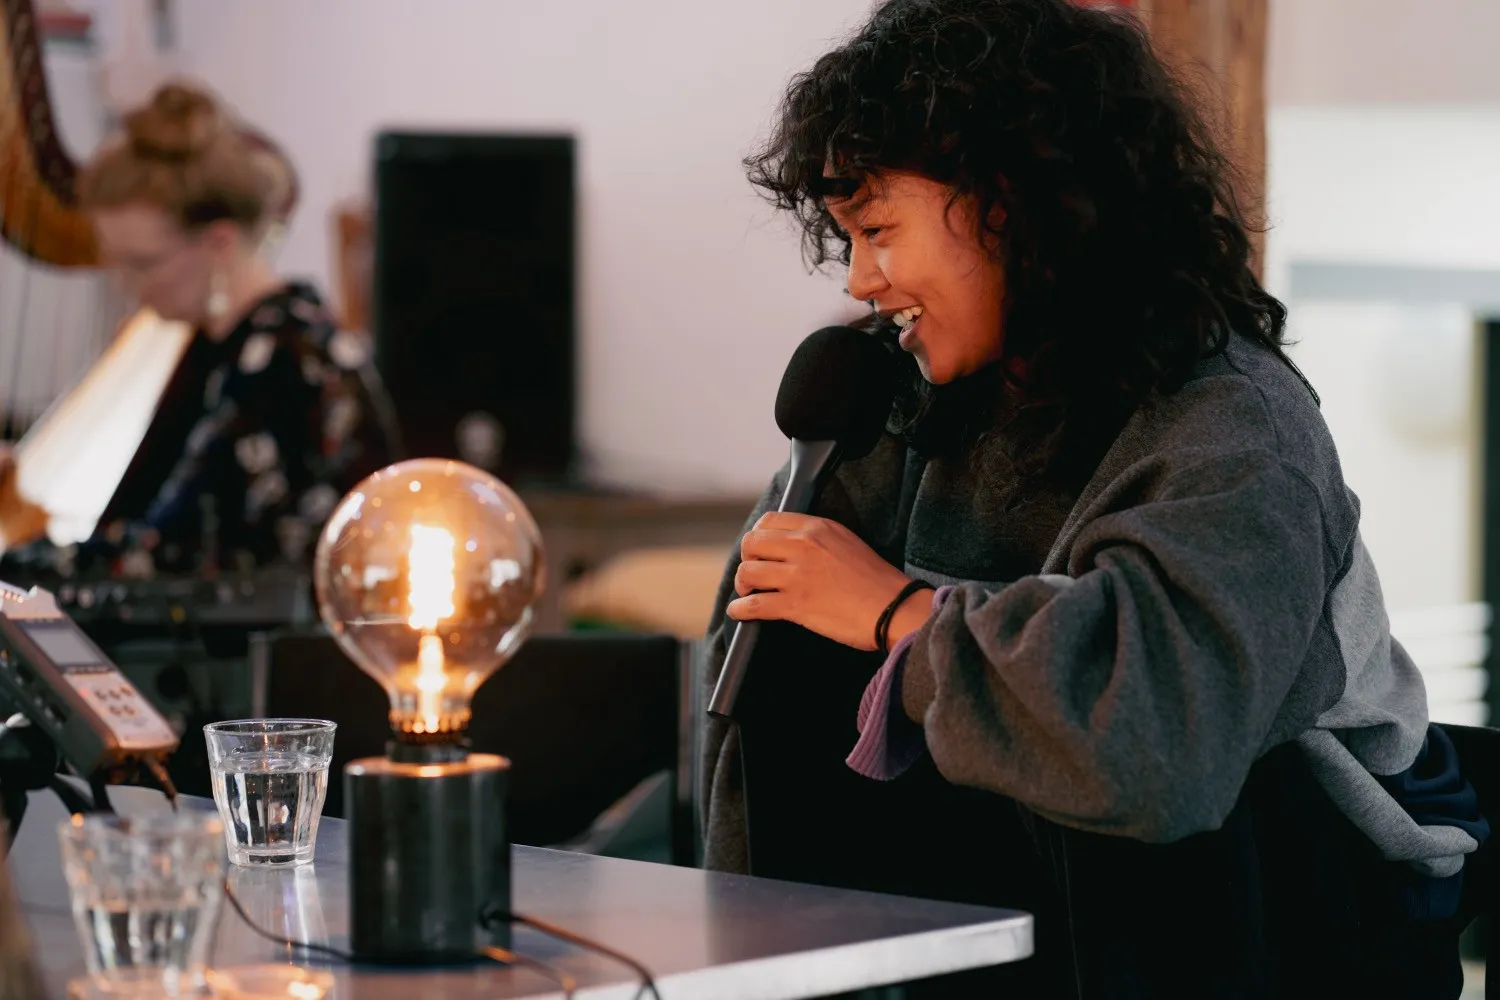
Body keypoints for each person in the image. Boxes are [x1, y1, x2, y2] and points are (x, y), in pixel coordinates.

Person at [699, 1, 1488, 997]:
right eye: (846, 238)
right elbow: (752, 728)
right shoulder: (883, 405)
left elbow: (1155, 750)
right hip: (1013, 920)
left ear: (1009, 202)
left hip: (1299, 915)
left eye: (879, 231)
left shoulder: (1233, 429)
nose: (858, 280)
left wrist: (898, 615)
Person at [0, 81, 397, 576]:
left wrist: (22, 560)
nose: (126, 286)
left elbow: (171, 563)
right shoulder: (235, 344)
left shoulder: (284, 367)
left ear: (218, 244)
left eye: (142, 263)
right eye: (115, 262)